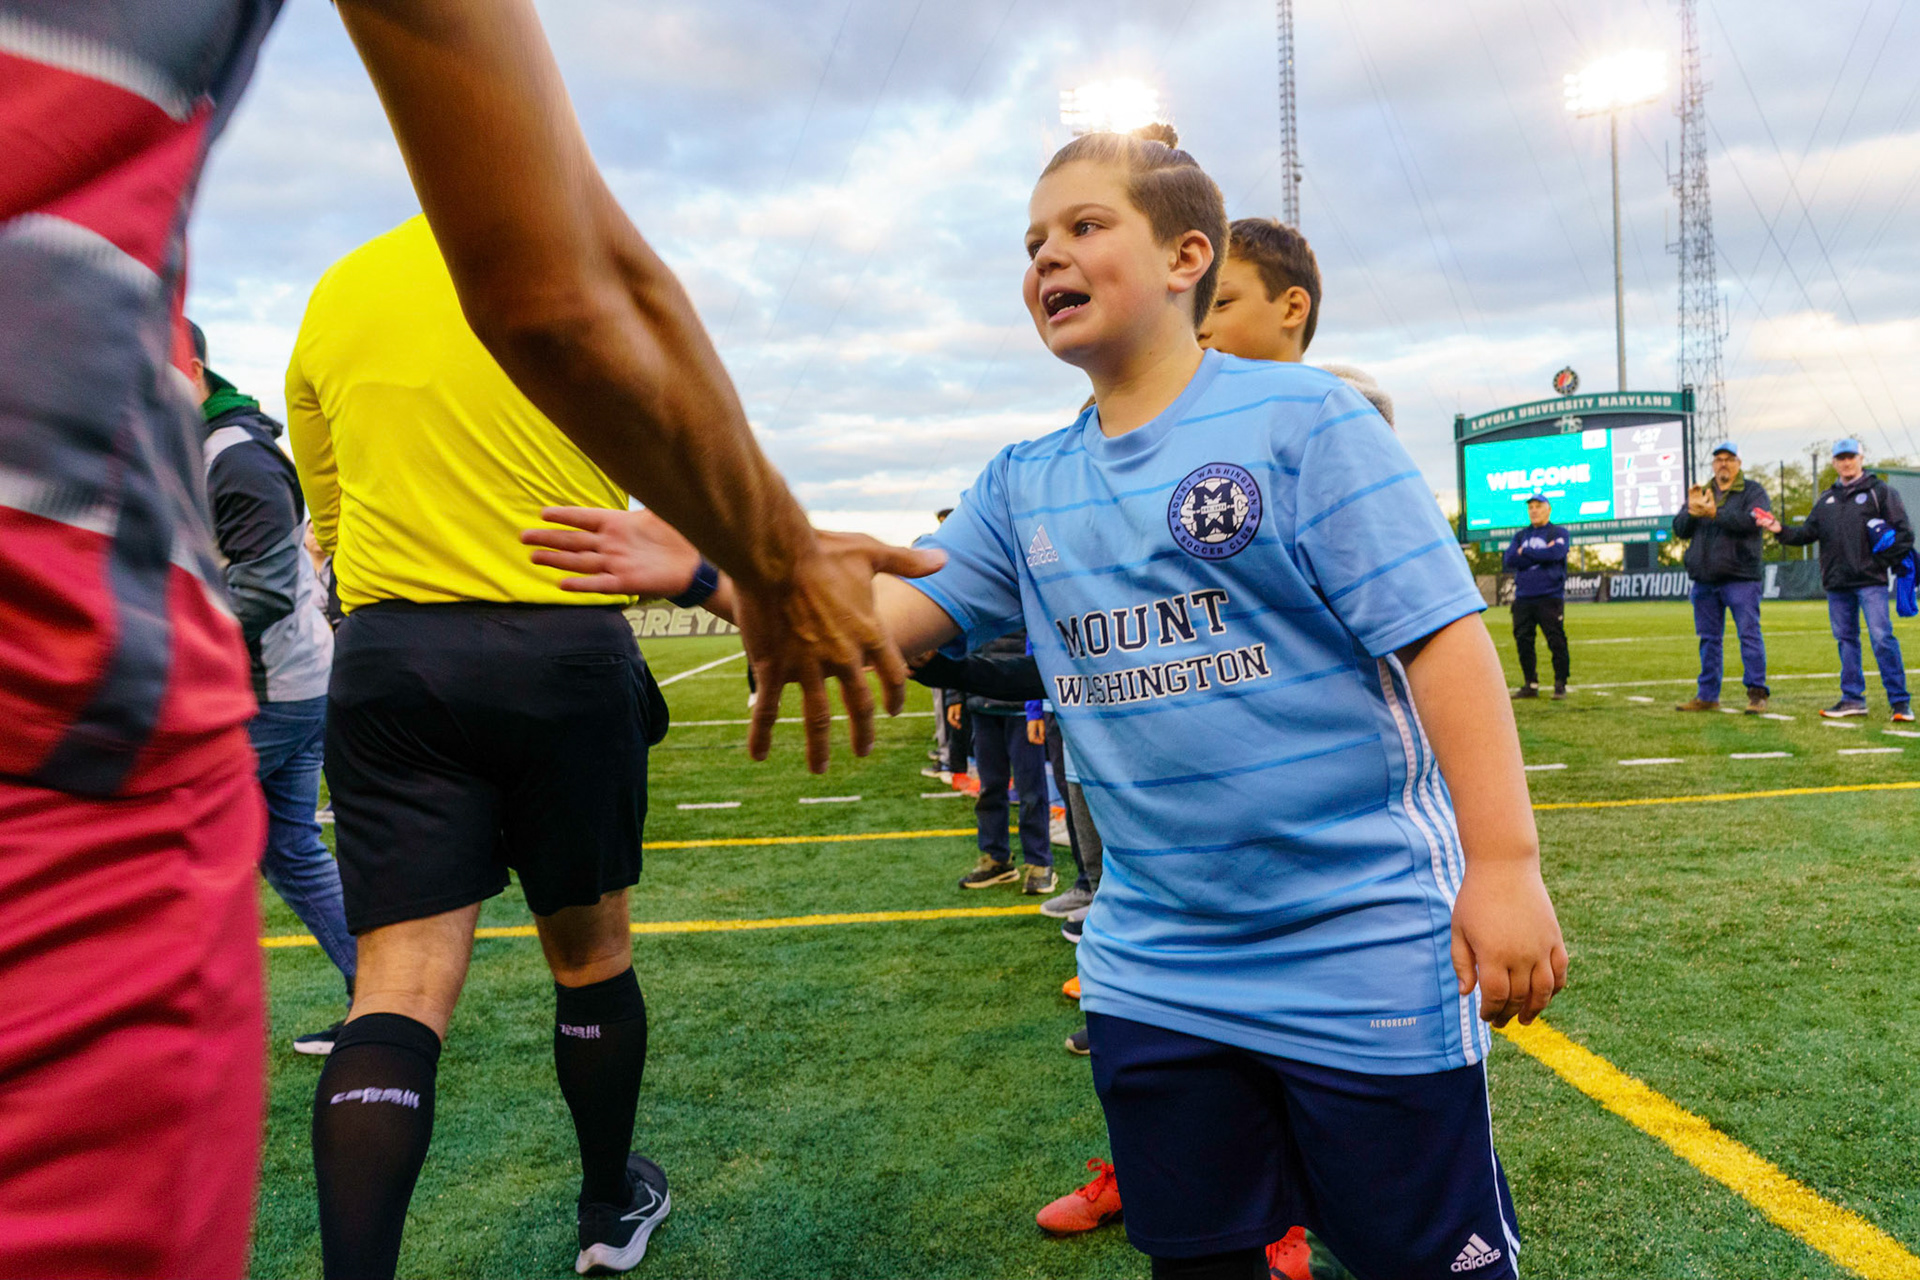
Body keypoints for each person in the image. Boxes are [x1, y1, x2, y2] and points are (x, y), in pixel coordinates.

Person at [528, 125, 1564, 1280]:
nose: (1046, 260)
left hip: (1362, 949)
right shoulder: (1025, 483)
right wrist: (718, 571)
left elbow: (1443, 639)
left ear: (1187, 259)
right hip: (1159, 968)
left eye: (1082, 227)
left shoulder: (1303, 423)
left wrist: (1505, 862)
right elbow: (881, 622)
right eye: (1031, 243)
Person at [1, 5, 934, 1275]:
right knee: (589, 952)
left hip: (392, 656)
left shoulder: (336, 293)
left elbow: (325, 508)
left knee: (396, 984)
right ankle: (608, 1208)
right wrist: (767, 557)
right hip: (555, 646)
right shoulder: (549, 243)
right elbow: (602, 374)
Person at [191, 322, 355, 1048]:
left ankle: (175, 1029)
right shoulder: (205, 447)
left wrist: (162, 628)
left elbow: (259, 593)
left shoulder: (235, 457)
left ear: (186, 366)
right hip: (290, 683)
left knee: (174, 845)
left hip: (267, 692)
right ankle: (379, 1001)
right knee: (288, 847)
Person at [1756, 439, 1914, 721]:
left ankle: (1900, 703)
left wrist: (1881, 562)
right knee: (1846, 641)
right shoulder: (1826, 500)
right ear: (1834, 463)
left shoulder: (1880, 493)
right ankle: (1853, 699)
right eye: (1841, 458)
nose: (1846, 462)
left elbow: (1904, 535)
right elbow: (1805, 534)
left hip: (1870, 582)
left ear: (1861, 458)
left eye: (1850, 457)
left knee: (1882, 639)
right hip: (1838, 583)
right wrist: (1778, 528)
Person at [1671, 441, 1773, 713]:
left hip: (1740, 576)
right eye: (1718, 460)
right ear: (1713, 465)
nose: (1723, 464)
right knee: (1708, 639)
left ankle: (1757, 694)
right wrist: (1692, 512)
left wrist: (1715, 513)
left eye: (1729, 459)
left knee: (1749, 635)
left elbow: (1753, 521)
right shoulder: (1702, 492)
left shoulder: (1753, 491)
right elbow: (1680, 530)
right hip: (1705, 579)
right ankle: (1707, 696)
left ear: (1739, 463)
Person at [953, 632, 1057, 893]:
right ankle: (996, 858)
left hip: (1023, 706)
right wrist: (954, 695)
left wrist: (1036, 705)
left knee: (1030, 790)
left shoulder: (1027, 591)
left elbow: (1039, 641)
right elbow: (961, 635)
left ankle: (1039, 863)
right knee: (989, 787)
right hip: (983, 703)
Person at [1502, 494, 1570, 700]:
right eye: (1530, 507)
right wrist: (1537, 554)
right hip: (1524, 598)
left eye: (1538, 506)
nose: (1533, 510)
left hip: (1549, 597)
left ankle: (1560, 685)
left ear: (1548, 509)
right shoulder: (1520, 535)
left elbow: (1555, 554)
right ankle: (1530, 684)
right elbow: (1510, 559)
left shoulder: (1558, 532)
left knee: (1556, 640)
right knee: (1523, 641)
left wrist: (1527, 552)